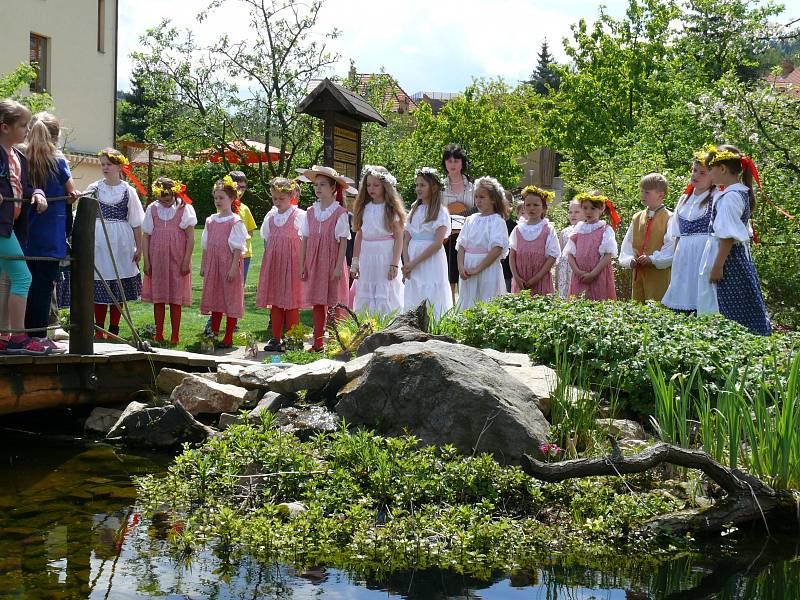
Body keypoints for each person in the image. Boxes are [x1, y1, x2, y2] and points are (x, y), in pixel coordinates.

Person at [697, 144, 770, 335]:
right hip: (731, 257)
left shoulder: (730, 197)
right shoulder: (734, 193)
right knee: (738, 304)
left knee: (731, 306)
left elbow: (727, 236)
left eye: (710, 169)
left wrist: (717, 266)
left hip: (729, 261)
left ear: (722, 169)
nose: (709, 174)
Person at [22, 111, 76, 350]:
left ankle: (21, 334)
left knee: (25, 285)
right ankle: (39, 337)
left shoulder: (22, 158)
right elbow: (71, 191)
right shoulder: (58, 161)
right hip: (51, 237)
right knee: (44, 288)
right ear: (56, 136)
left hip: (26, 235)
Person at [0, 99, 49, 354]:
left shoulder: (18, 156)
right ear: (4, 127)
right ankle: (18, 337)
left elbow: (27, 185)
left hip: (11, 227)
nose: (27, 131)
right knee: (22, 276)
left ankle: (3, 335)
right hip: (0, 227)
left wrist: (37, 193)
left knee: (3, 279)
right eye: (23, 125)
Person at [85, 148, 144, 340]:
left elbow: (136, 221)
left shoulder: (128, 191)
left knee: (118, 285)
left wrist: (139, 247)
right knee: (100, 281)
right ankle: (99, 330)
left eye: (108, 164)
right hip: (99, 241)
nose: (104, 168)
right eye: (102, 164)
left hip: (121, 242)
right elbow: (83, 213)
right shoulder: (94, 188)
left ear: (119, 166)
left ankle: (114, 330)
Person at [297, 165, 355, 352]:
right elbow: (305, 238)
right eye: (316, 185)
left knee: (333, 303)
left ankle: (334, 342)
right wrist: (303, 263)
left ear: (333, 189)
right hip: (315, 262)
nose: (318, 188)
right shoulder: (310, 212)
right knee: (318, 302)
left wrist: (339, 267)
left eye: (323, 184)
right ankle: (318, 342)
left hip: (332, 263)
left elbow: (343, 242)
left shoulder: (339, 213)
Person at [141, 176, 196, 344]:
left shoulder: (183, 208)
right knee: (159, 297)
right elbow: (146, 236)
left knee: (175, 298)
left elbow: (191, 237)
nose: (165, 202)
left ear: (174, 193)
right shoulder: (152, 209)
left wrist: (186, 260)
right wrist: (147, 261)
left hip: (177, 258)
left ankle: (175, 335)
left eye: (168, 199)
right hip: (157, 259)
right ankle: (159, 333)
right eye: (161, 199)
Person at [661, 153, 715, 314]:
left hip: (703, 253)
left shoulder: (715, 197)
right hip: (684, 254)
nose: (695, 175)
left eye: (702, 172)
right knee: (682, 292)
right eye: (694, 170)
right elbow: (676, 232)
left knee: (701, 294)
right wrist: (677, 260)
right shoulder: (684, 198)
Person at [256, 177, 305, 352]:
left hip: (292, 263)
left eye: (281, 199)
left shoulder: (299, 215)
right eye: (274, 198)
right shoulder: (271, 216)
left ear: (291, 196)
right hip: (275, 263)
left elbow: (305, 239)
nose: (277, 202)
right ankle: (276, 338)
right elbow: (267, 236)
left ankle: (293, 338)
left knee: (291, 302)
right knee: (276, 302)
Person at [200, 176, 248, 348]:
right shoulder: (210, 220)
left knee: (230, 298)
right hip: (214, 264)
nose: (218, 201)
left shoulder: (235, 221)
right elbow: (205, 245)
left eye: (222, 198)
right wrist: (204, 265)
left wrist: (234, 268)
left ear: (231, 199)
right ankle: (213, 333)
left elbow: (237, 248)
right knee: (216, 298)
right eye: (216, 198)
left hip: (228, 265)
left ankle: (228, 336)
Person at [350, 165, 405, 317]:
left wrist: (394, 263)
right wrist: (355, 262)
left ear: (384, 186)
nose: (371, 188)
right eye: (368, 185)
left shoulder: (390, 209)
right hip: (367, 257)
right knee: (367, 293)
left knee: (385, 291)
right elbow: (359, 236)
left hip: (385, 256)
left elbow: (399, 236)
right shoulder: (364, 208)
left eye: (376, 185)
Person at [402, 167, 452, 317]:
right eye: (417, 185)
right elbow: (406, 238)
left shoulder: (440, 212)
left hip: (430, 260)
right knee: (415, 290)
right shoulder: (414, 210)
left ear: (433, 187)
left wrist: (414, 262)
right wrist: (407, 263)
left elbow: (437, 243)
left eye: (422, 185)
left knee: (430, 291)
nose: (418, 188)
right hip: (412, 261)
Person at [455, 176, 510, 311]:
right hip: (468, 268)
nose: (478, 201)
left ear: (493, 199)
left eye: (482, 197)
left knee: (485, 302)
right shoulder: (470, 219)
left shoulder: (497, 221)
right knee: (468, 303)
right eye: (476, 197)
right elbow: (461, 245)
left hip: (487, 269)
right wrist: (461, 266)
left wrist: (478, 268)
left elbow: (497, 249)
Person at [619, 173, 673, 302]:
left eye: (647, 192)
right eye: (641, 191)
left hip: (659, 275)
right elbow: (628, 244)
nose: (642, 195)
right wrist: (630, 259)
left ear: (660, 195)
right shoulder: (637, 217)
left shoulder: (670, 218)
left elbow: (671, 247)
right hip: (639, 275)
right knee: (639, 310)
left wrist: (653, 259)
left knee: (658, 308)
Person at [563, 191, 619, 301]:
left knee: (599, 303)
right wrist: (578, 272)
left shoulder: (605, 230)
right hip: (580, 276)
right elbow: (569, 253)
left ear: (601, 209)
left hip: (598, 275)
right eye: (585, 208)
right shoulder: (578, 229)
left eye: (593, 208)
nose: (588, 211)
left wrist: (593, 274)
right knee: (579, 304)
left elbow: (607, 256)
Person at [509, 185, 561, 296]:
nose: (531, 208)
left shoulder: (548, 229)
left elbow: (552, 256)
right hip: (520, 280)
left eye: (536, 205)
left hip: (540, 279)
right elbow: (512, 255)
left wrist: (536, 278)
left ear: (544, 208)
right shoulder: (518, 229)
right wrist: (516, 277)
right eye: (528, 205)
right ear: (523, 207)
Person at [441, 144, 475, 299]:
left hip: (468, 235)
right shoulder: (440, 186)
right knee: (448, 274)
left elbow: (478, 208)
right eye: (449, 161)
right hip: (445, 237)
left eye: (456, 161)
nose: (452, 164)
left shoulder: (473, 187)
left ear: (462, 163)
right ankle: (450, 305)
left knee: (465, 272)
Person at [228, 171, 258, 285]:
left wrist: (241, 240)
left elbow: (250, 231)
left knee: (239, 286)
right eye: (238, 187)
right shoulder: (223, 207)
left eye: (243, 188)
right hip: (227, 252)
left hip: (244, 254)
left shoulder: (244, 209)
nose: (240, 191)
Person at [555, 199, 584, 298]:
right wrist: (557, 278)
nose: (573, 215)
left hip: (577, 270)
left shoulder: (586, 231)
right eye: (570, 212)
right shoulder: (564, 232)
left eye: (577, 212)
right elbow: (560, 257)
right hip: (564, 273)